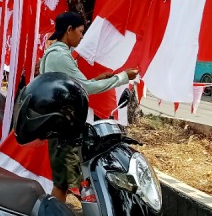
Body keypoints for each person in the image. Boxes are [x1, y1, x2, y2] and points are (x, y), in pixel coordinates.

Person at [39, 11, 139, 202]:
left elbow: (75, 86)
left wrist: (96, 79)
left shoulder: (55, 54)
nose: (82, 36)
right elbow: (85, 89)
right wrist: (123, 77)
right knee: (62, 185)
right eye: (80, 31)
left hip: (61, 128)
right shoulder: (60, 56)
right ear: (69, 30)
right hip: (63, 130)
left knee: (66, 183)